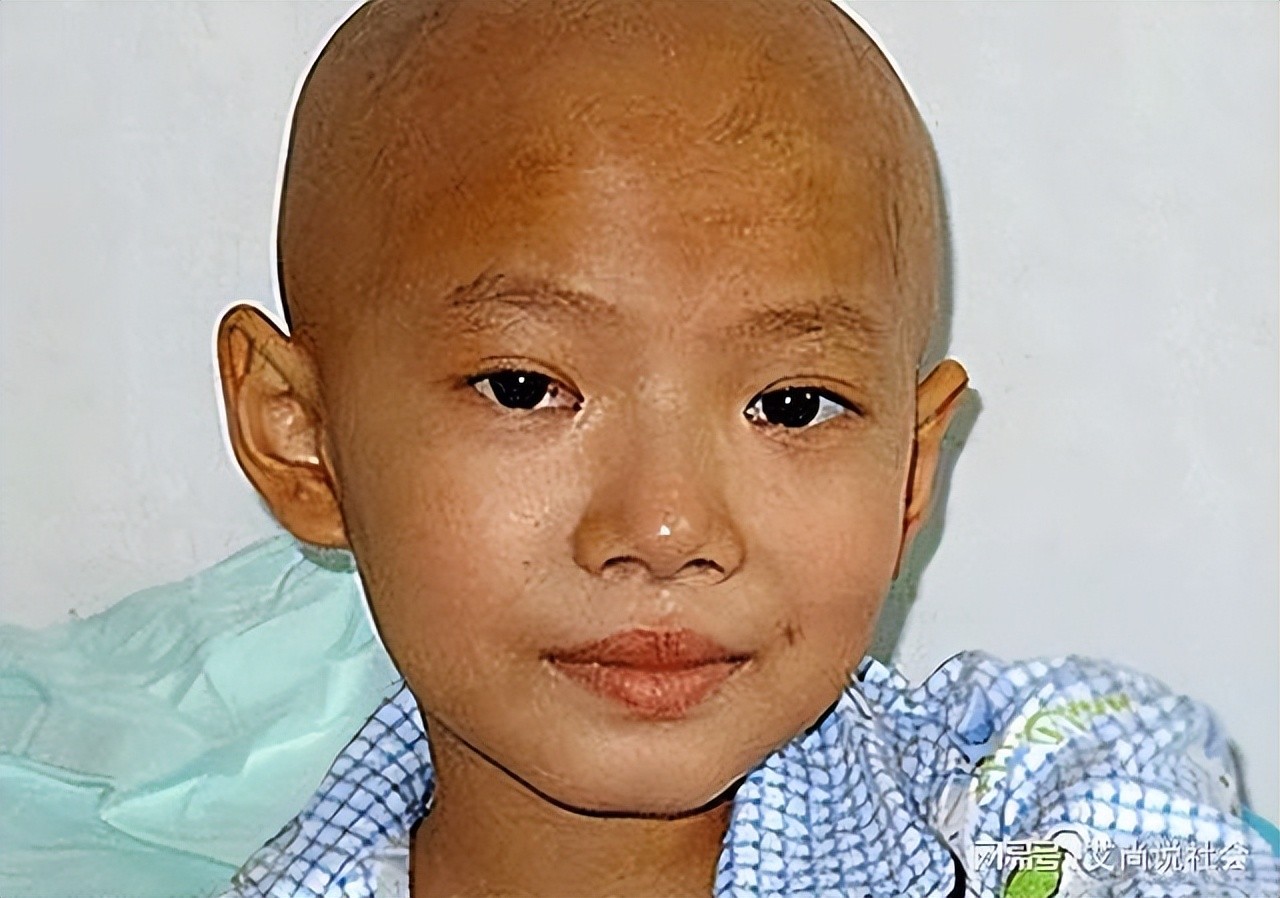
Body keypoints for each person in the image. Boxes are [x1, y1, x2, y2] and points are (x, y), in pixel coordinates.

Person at [212, 0, 1279, 896]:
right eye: (526, 388)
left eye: (792, 405)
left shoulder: (1028, 802)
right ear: (301, 438)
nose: (666, 527)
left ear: (909, 471)